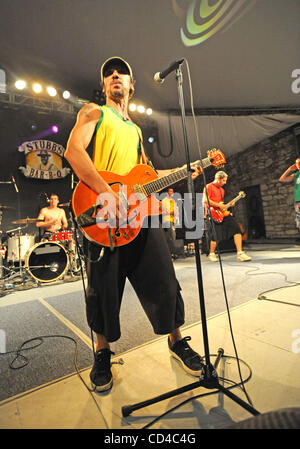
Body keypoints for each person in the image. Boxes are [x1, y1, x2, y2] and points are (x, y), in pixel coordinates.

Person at [64, 56, 203, 392]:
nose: (115, 75)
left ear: (130, 85)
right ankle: (102, 353)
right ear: (104, 85)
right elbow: (73, 152)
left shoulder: (137, 130)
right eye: (109, 73)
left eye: (121, 73)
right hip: (106, 215)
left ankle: (176, 341)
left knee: (165, 282)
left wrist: (185, 170)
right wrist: (107, 193)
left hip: (140, 218)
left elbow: (147, 178)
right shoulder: (94, 112)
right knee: (103, 291)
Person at [203, 171, 251, 262]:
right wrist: (219, 205)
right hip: (212, 213)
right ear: (218, 179)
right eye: (223, 181)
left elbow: (221, 204)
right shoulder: (208, 187)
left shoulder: (222, 190)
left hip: (222, 213)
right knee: (216, 235)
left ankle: (240, 253)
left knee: (236, 228)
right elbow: (205, 200)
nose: (225, 183)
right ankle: (212, 253)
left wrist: (228, 205)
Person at [279, 157, 300, 234]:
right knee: (299, 222)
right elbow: (282, 179)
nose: (298, 165)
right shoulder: (296, 175)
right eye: (297, 163)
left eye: (299, 163)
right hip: (298, 201)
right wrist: (289, 169)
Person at [162, 188, 179, 257]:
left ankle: (173, 252)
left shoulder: (173, 201)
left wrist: (176, 212)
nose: (172, 192)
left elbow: (176, 210)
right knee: (169, 237)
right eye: (171, 191)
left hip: (173, 220)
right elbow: (163, 211)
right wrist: (171, 212)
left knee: (173, 236)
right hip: (167, 220)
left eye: (173, 191)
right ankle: (169, 254)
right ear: (167, 192)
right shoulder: (164, 201)